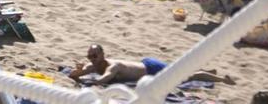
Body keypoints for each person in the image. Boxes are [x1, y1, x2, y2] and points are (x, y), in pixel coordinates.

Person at [69, 44, 234, 85]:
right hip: (143, 65)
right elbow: (72, 75)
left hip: (152, 69)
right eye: (89, 56)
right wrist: (79, 71)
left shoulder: (113, 65)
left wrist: (90, 80)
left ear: (103, 55)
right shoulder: (93, 65)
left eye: (95, 55)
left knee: (185, 76)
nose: (92, 58)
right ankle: (207, 71)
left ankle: (222, 80)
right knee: (181, 70)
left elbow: (104, 79)